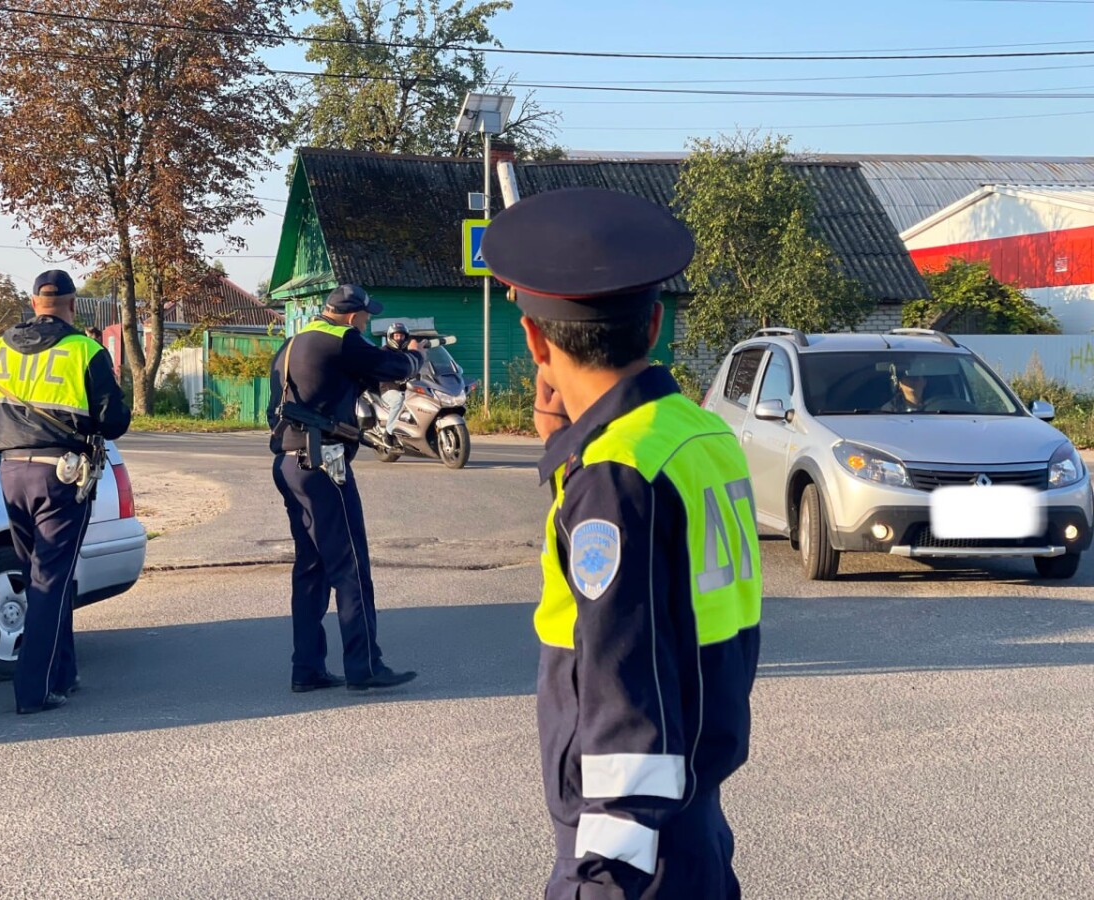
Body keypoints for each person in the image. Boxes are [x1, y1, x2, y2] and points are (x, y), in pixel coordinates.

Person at [482, 188, 764, 899]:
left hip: (635, 855)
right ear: (654, 325)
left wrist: (599, 876)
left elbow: (623, 690)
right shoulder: (695, 433)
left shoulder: (614, 476)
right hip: (694, 817)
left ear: (535, 341)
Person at [0, 270, 131, 715]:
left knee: (41, 574)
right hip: (61, 474)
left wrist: (4, 440)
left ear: (34, 303)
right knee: (50, 581)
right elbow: (115, 423)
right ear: (72, 306)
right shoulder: (84, 350)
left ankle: (64, 673)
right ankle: (33, 691)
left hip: (12, 471)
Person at [267, 285, 427, 692]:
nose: (367, 321)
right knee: (350, 566)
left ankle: (307, 669)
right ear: (353, 315)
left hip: (288, 463)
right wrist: (415, 356)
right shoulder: (344, 341)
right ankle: (364, 666)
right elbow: (392, 368)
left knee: (311, 569)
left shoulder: (292, 344)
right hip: (323, 465)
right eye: (365, 316)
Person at [379, 322, 414, 437]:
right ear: (391, 337)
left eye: (402, 336)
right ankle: (388, 433)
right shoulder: (384, 352)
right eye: (396, 336)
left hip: (407, 389)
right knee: (398, 400)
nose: (399, 339)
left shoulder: (407, 353)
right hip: (388, 389)